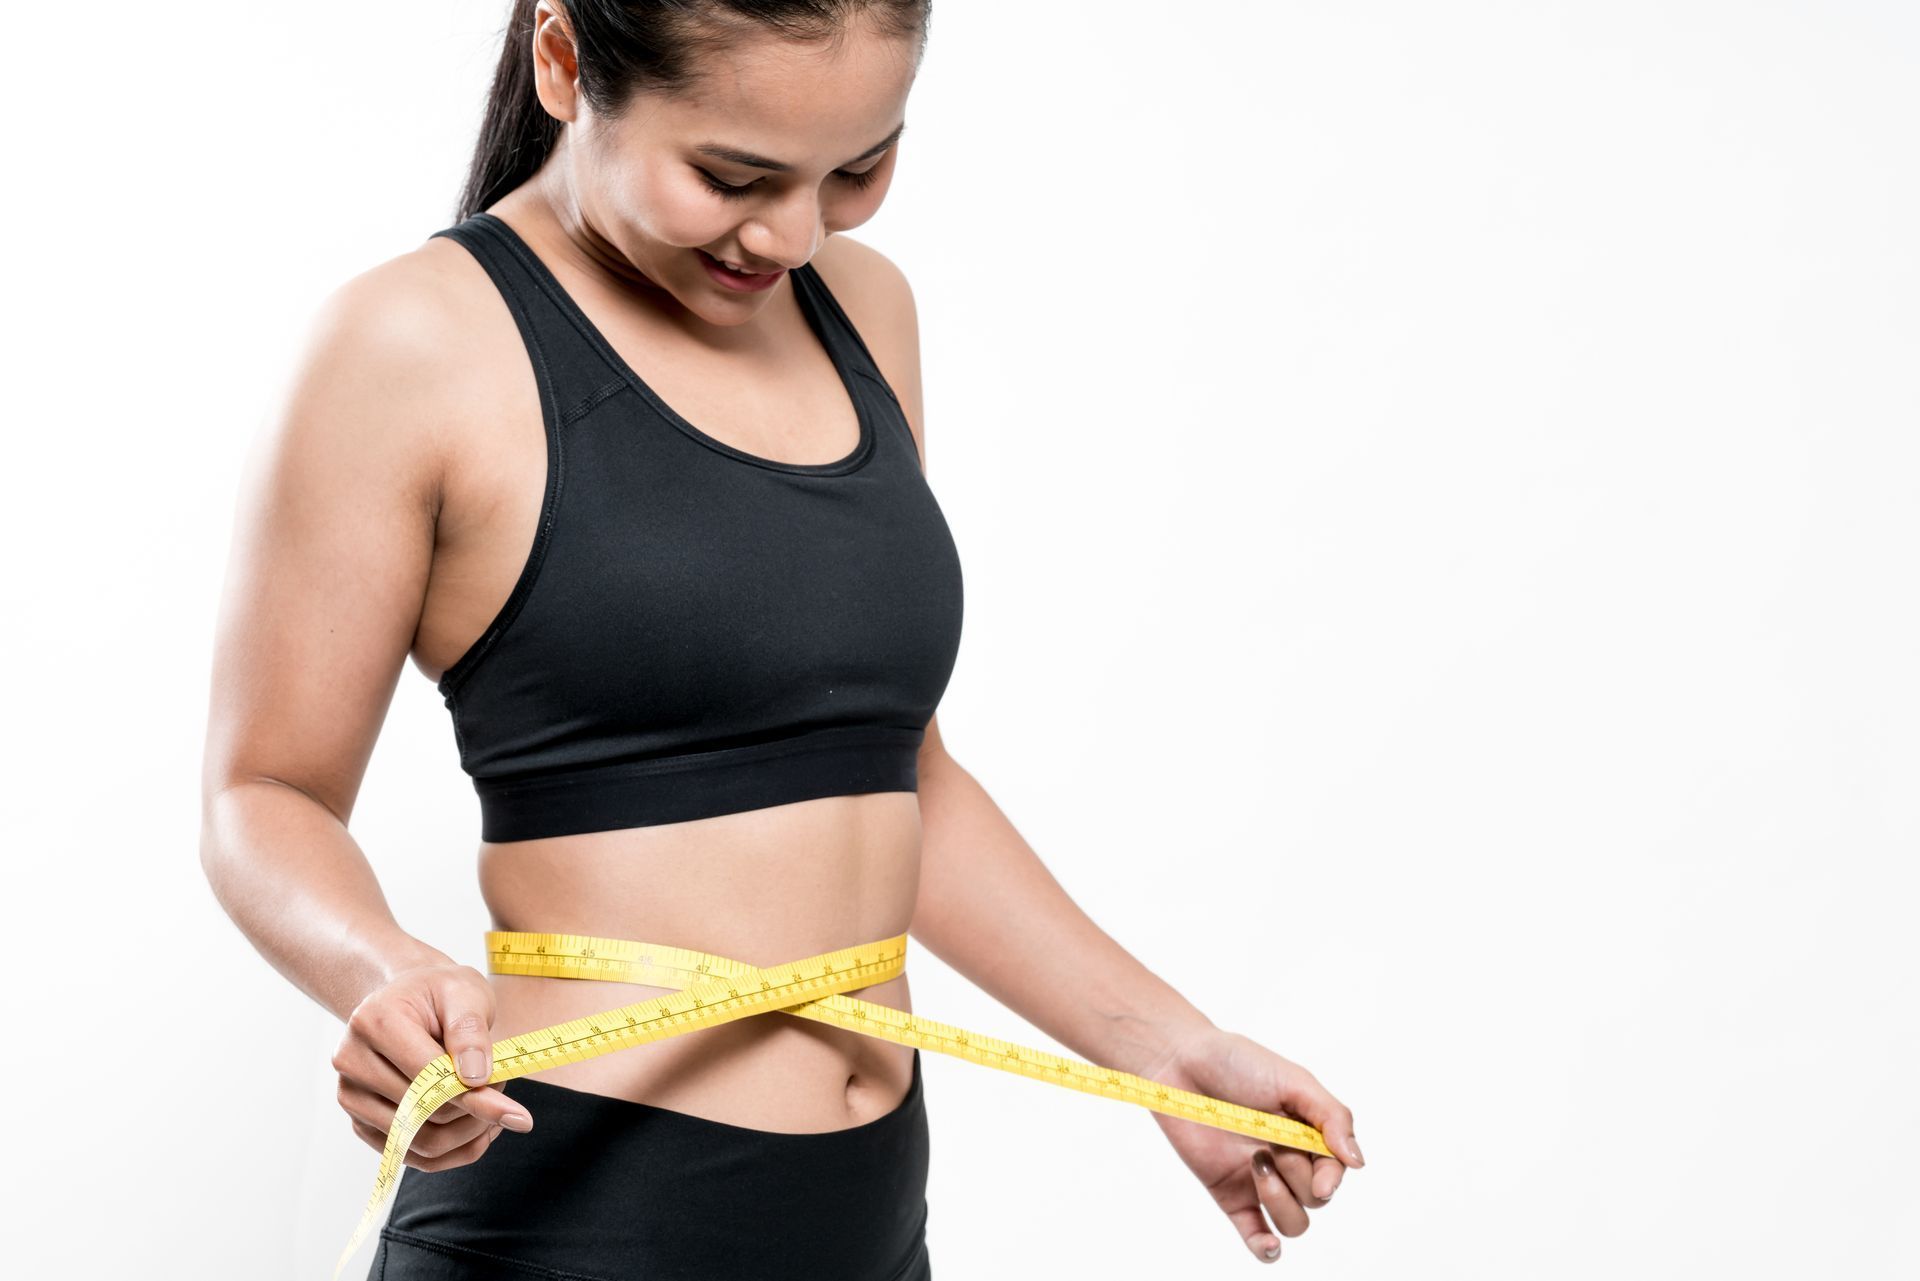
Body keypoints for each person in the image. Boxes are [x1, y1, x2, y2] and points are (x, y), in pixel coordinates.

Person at [199, 1, 1364, 1276]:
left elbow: (896, 774)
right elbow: (266, 792)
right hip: (576, 1227)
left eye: (859, 168)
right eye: (732, 176)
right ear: (562, 61)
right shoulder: (414, 344)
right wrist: (381, 972)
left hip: (868, 1227)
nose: (796, 234)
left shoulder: (864, 310)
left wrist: (1167, 1052)